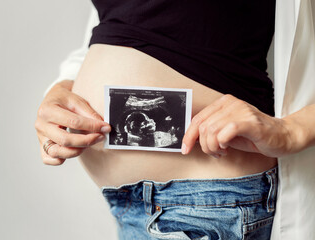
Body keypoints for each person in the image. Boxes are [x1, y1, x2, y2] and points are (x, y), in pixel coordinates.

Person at [35, 1, 315, 239]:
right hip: (126, 204)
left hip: (206, 204)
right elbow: (126, 21)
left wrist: (293, 131)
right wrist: (63, 87)